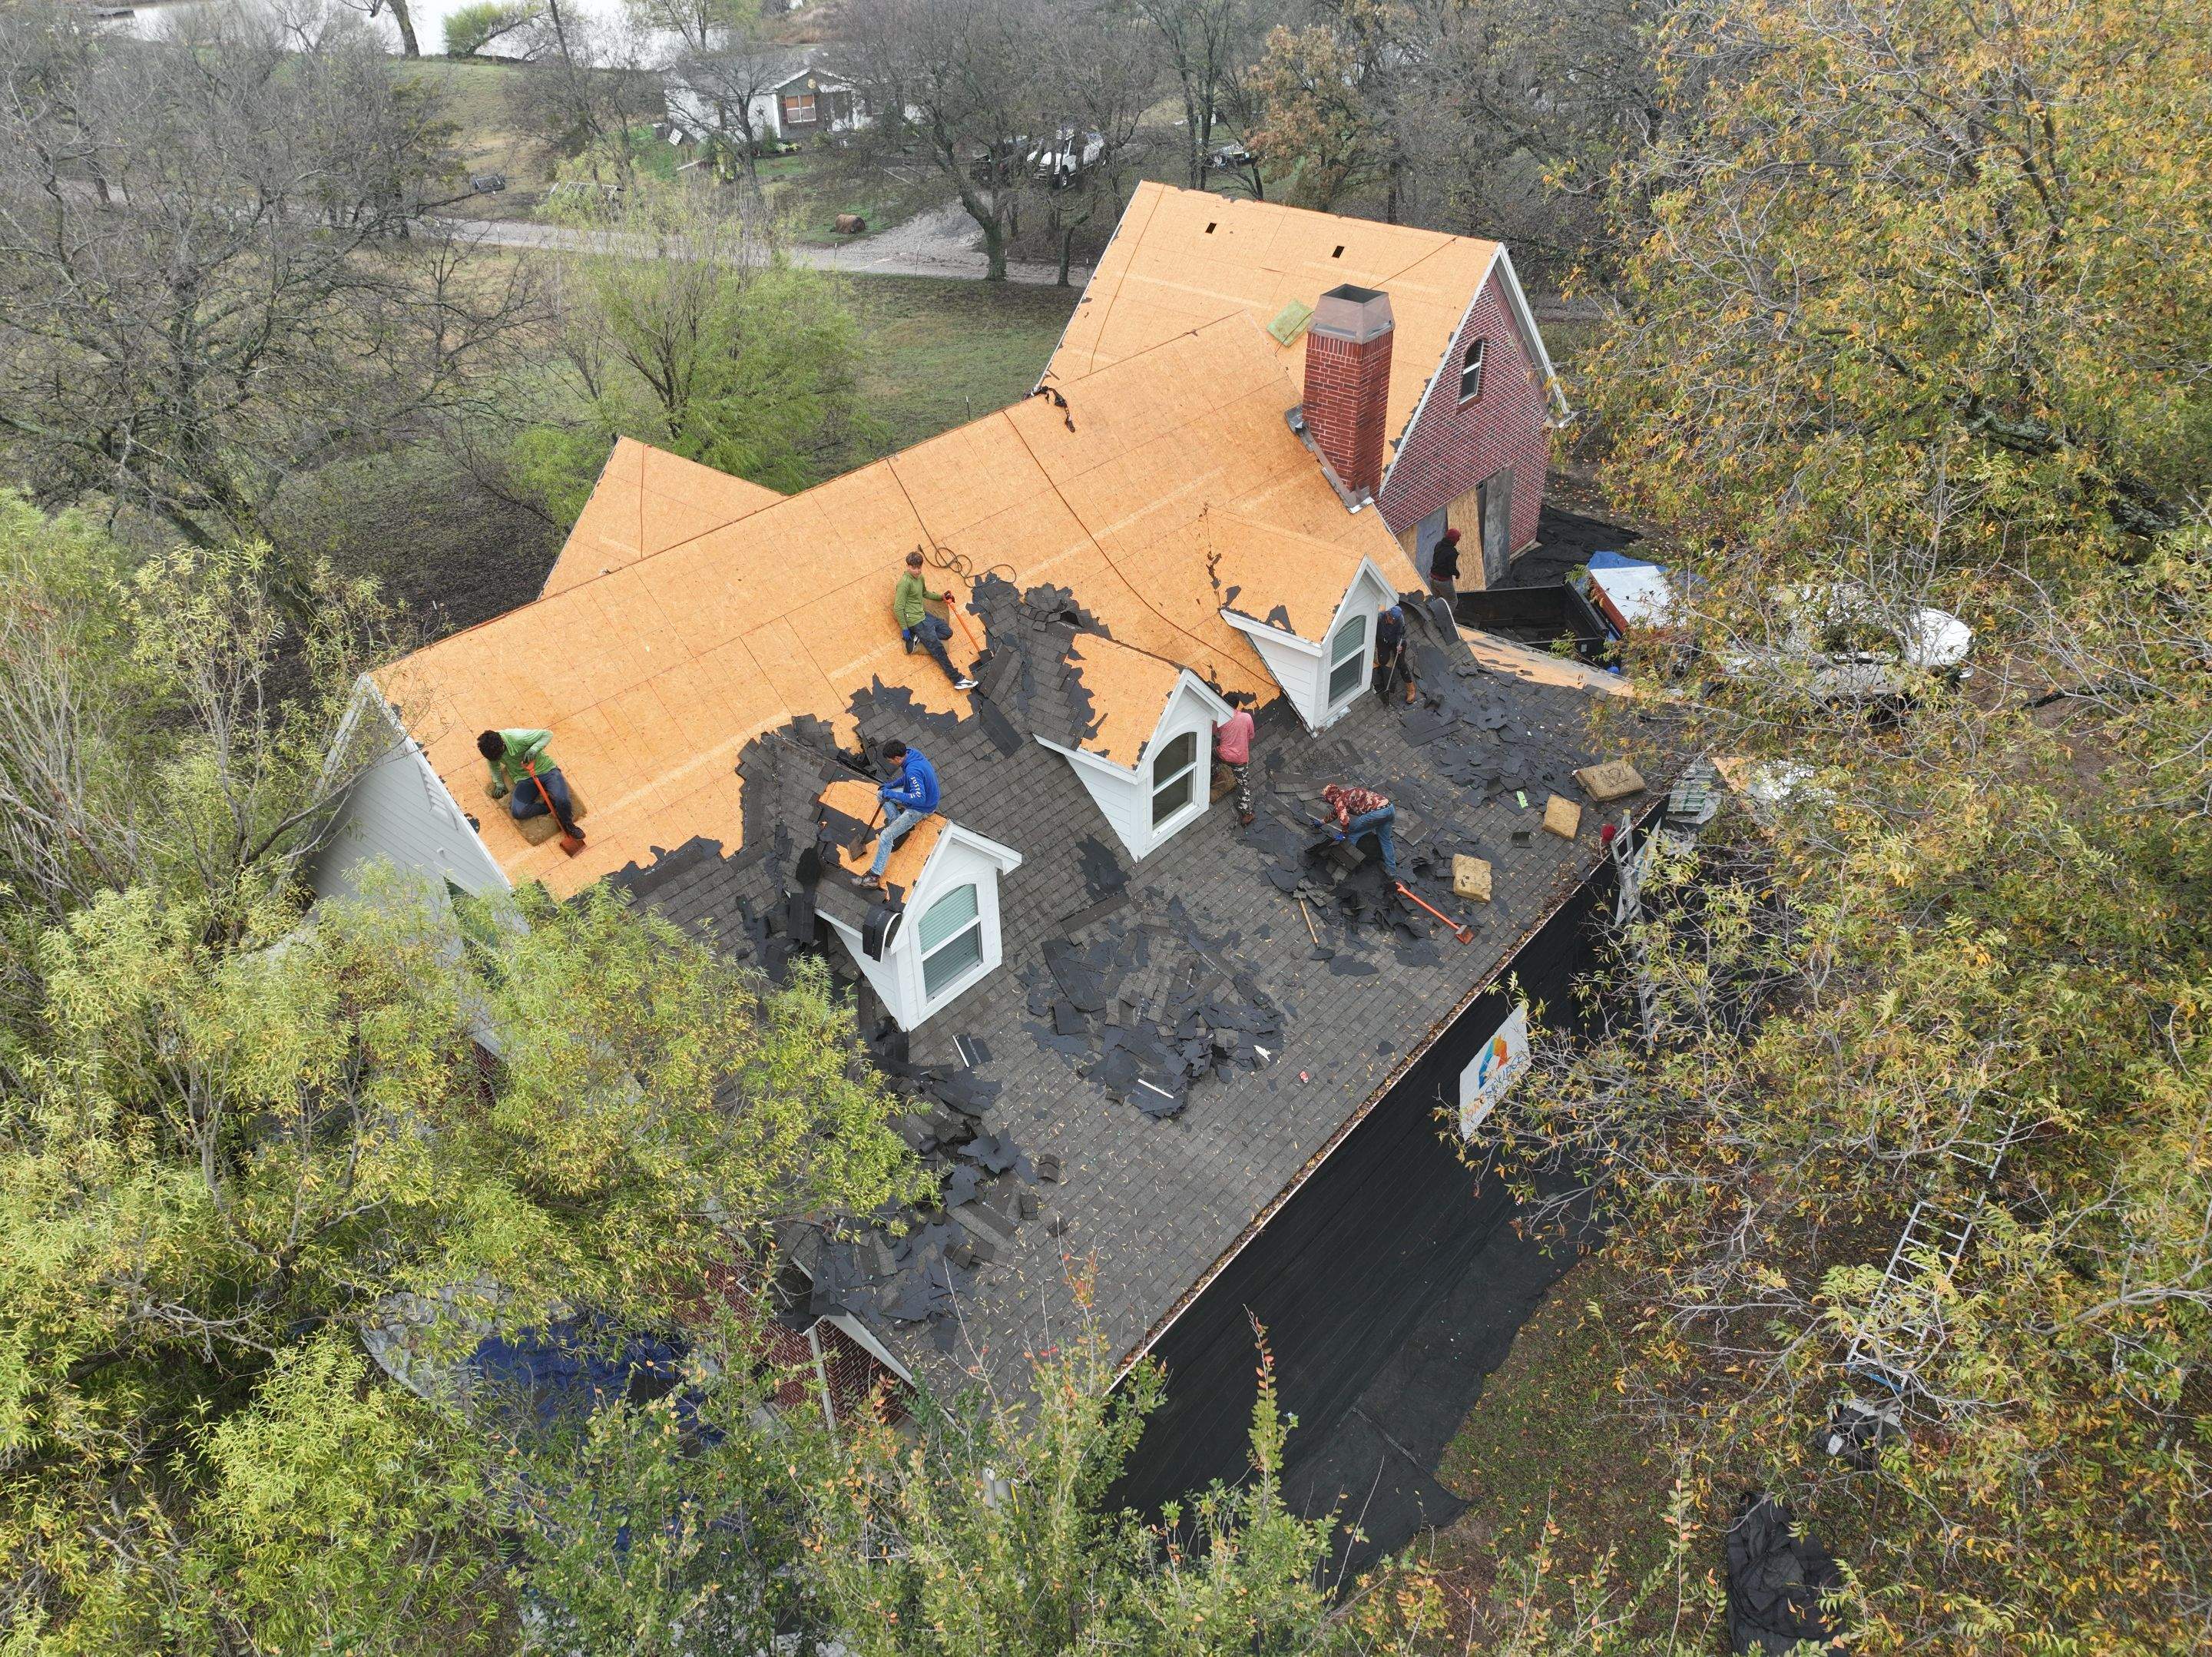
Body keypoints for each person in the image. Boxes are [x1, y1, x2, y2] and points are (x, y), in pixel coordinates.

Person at [478, 728, 584, 841]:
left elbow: (547, 734)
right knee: (518, 812)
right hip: (524, 779)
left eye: (500, 756)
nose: (498, 759)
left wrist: (534, 749)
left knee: (562, 800)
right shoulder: (490, 750)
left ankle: (569, 825)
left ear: (502, 744)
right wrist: (499, 784)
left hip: (547, 770)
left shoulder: (518, 737)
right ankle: (549, 806)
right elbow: (494, 767)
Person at [894, 550, 978, 691]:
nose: (917, 571)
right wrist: (905, 628)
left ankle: (921, 638)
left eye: (919, 567)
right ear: (908, 566)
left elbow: (925, 593)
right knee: (938, 649)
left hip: (924, 615)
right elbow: (898, 608)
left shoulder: (920, 578)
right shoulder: (904, 583)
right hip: (915, 621)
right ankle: (957, 680)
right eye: (914, 568)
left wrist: (941, 597)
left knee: (947, 632)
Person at [863, 740, 940, 888]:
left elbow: (919, 797)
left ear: (897, 758)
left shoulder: (913, 770)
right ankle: (899, 825)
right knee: (881, 795)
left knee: (886, 836)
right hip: (921, 798)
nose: (891, 763)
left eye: (891, 760)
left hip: (922, 808)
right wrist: (890, 786)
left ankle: (874, 876)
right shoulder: (912, 754)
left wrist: (892, 793)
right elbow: (907, 779)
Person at [1321, 782, 1397, 883]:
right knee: (1385, 840)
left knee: (1352, 833)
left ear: (1331, 796)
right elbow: (1336, 812)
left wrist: (1344, 833)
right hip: (1389, 808)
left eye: (1326, 798)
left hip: (1377, 813)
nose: (1327, 800)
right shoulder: (1345, 793)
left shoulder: (1340, 800)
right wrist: (1321, 822)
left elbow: (1344, 820)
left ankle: (1344, 860)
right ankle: (1391, 871)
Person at [1214, 693, 1257, 827]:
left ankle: (1214, 774)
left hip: (1224, 755)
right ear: (1237, 705)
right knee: (1243, 784)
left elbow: (1213, 732)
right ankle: (1247, 813)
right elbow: (1251, 736)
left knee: (1211, 754)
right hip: (1240, 759)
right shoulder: (1247, 718)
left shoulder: (1221, 719)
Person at [1373, 605, 1419, 704]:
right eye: (1391, 619)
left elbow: (1400, 634)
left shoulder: (1400, 619)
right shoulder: (1380, 617)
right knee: (1383, 660)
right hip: (1383, 641)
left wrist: (1399, 645)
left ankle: (1411, 689)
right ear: (1387, 614)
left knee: (1400, 663)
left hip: (1395, 642)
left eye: (1394, 621)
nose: (1392, 622)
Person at [1428, 527, 1462, 604]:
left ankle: (1435, 615)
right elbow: (1451, 568)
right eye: (1457, 539)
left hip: (1432, 578)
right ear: (1454, 540)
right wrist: (1457, 574)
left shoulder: (1438, 544)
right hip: (1443, 582)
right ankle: (1444, 616)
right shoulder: (1452, 552)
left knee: (1437, 601)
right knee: (1452, 601)